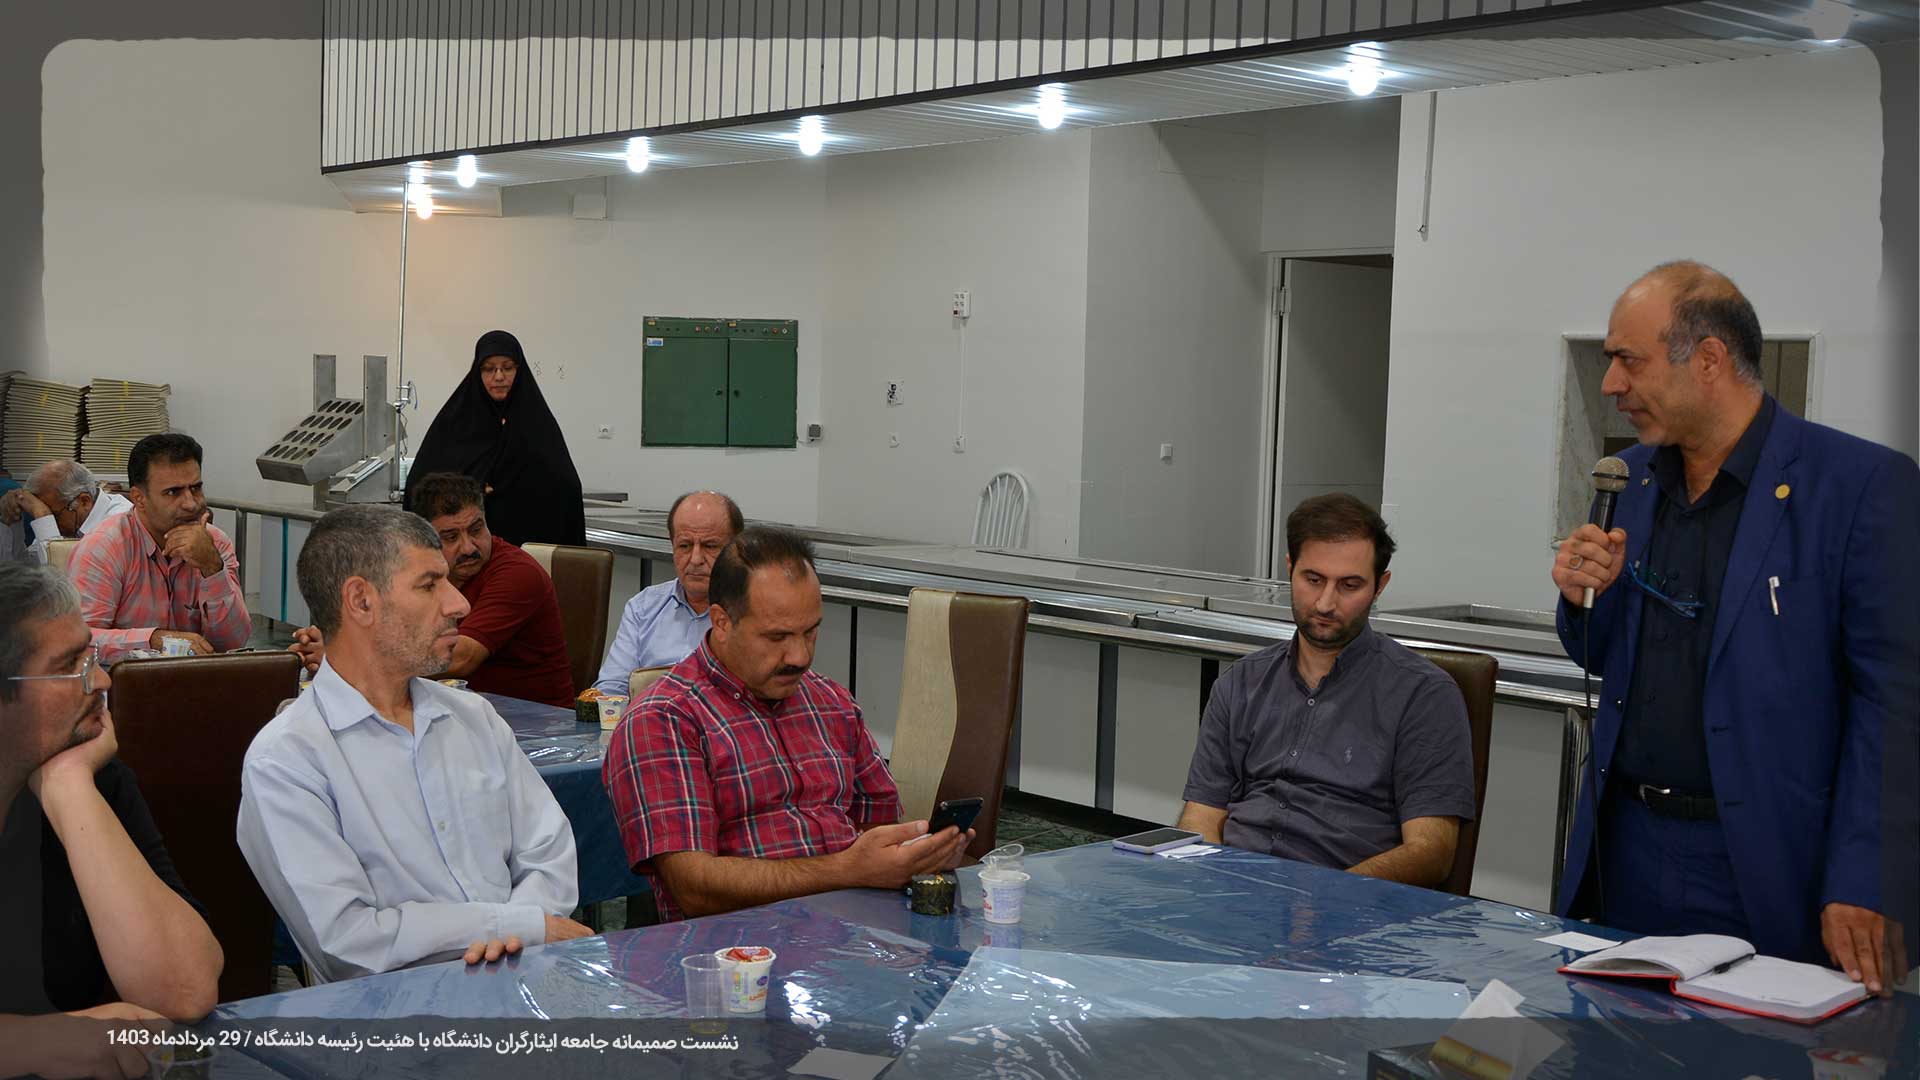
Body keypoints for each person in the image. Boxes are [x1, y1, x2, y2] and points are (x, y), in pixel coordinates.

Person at [1552, 261, 1918, 995]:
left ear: (1710, 359)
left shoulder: (1859, 487)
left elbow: (1896, 703)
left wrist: (1867, 874)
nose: (1611, 383)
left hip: (1770, 858)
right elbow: (1601, 656)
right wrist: (1585, 596)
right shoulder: (1630, 481)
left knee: (1767, 1048)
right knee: (1613, 1039)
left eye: (1629, 360)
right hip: (1628, 845)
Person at [238, 505, 589, 983]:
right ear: (361, 601)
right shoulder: (287, 760)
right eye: (429, 585)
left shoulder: (472, 717)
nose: (459, 604)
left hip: (522, 983)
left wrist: (516, 936)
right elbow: (348, 940)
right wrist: (517, 926)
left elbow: (548, 851)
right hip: (393, 1016)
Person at [603, 527, 971, 921]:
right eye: (777, 637)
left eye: (810, 632)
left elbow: (876, 826)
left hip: (855, 926)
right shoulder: (664, 720)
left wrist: (913, 853)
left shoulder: (831, 702)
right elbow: (694, 889)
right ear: (722, 622)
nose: (799, 656)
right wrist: (846, 870)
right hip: (739, 946)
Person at [1176, 494, 1476, 889]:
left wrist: (1324, 899)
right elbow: (1201, 816)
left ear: (1380, 586)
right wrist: (1211, 888)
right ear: (1290, 570)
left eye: (1349, 585)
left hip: (1348, 899)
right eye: (1313, 580)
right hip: (1237, 888)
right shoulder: (1241, 682)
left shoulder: (1423, 695)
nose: (1325, 603)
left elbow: (1430, 852)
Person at [0, 563, 223, 1078]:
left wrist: (69, 785)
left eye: (92, 657)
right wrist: (31, 1042)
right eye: (70, 666)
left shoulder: (96, 779)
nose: (101, 681)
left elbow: (185, 991)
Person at [289, 472, 574, 708]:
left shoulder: (517, 574)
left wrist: (347, 658)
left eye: (476, 529)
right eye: (450, 537)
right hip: (452, 707)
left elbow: (461, 657)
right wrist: (335, 639)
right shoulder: (415, 570)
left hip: (533, 723)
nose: (469, 547)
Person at [66, 433, 250, 662]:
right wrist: (153, 640)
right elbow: (77, 641)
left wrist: (212, 568)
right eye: (173, 492)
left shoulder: (215, 543)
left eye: (196, 488)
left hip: (198, 678)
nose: (191, 503)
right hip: (123, 681)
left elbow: (234, 643)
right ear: (139, 498)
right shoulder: (103, 548)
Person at [405, 330, 585, 547]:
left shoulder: (537, 423)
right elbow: (421, 486)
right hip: (463, 548)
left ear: (519, 370)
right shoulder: (455, 422)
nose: (499, 377)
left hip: (525, 544)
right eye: (489, 369)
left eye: (507, 368)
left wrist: (510, 491)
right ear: (477, 372)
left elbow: (566, 487)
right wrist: (477, 488)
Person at [592, 490, 742, 697]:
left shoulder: (753, 613)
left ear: (736, 549)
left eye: (710, 546)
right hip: (647, 716)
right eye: (685, 546)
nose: (695, 559)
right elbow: (611, 688)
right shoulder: (643, 607)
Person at [0, 459, 133, 565]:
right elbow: (24, 573)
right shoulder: (62, 513)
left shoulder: (121, 523)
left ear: (84, 501)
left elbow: (60, 581)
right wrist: (12, 521)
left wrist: (44, 516)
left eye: (54, 515)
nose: (50, 523)